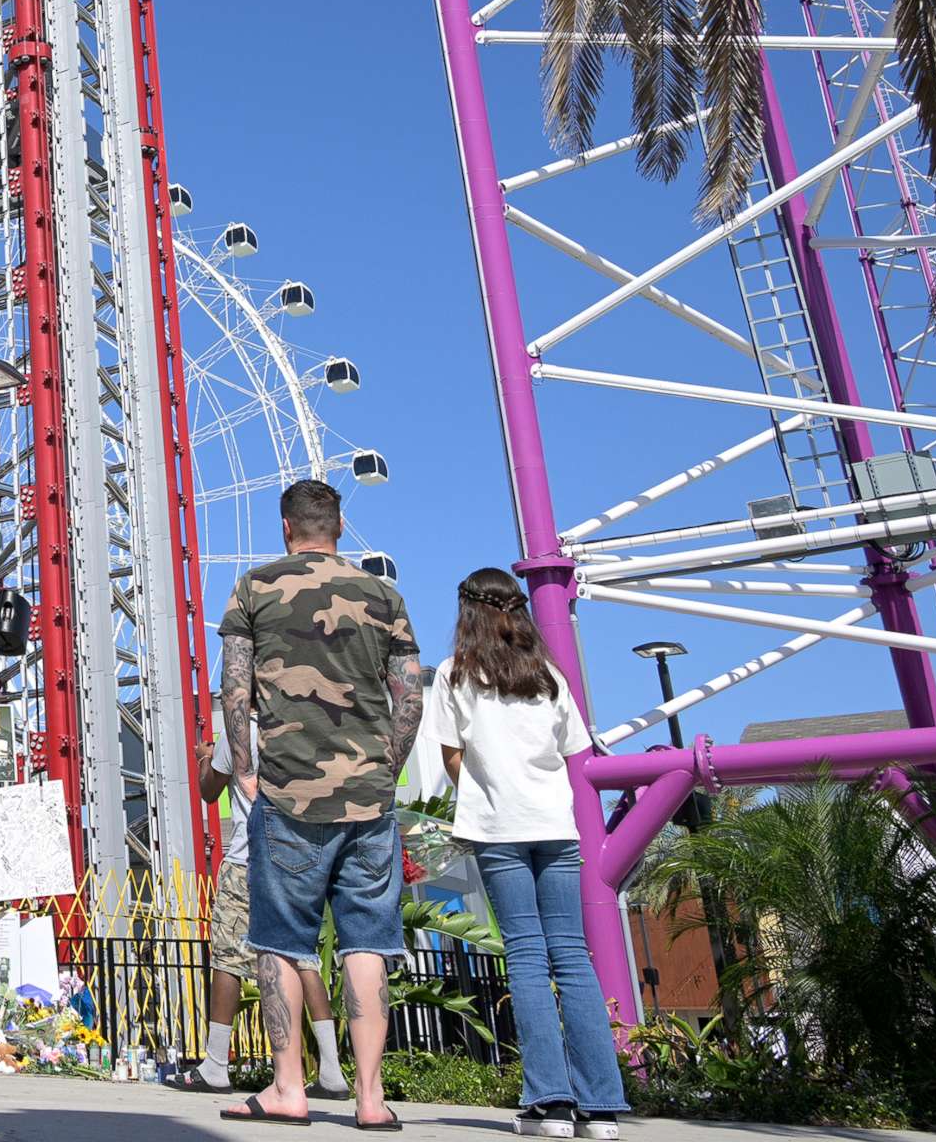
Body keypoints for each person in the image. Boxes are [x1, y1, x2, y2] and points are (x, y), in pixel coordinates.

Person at [216, 478, 424, 1129]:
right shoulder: (382, 593)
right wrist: (388, 764)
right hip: (368, 797)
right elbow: (411, 696)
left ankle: (287, 1088)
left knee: (278, 940)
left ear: (286, 526)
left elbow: (234, 689)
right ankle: (369, 1098)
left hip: (288, 793)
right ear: (338, 525)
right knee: (367, 942)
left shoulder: (255, 588)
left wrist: (245, 768)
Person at [429, 570, 626, 1142]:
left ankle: (551, 1103)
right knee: (572, 955)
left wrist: (490, 790)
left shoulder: (455, 676)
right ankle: (602, 1109)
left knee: (527, 958)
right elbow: (573, 752)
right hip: (556, 828)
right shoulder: (549, 676)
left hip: (498, 829)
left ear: (467, 611)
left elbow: (451, 757)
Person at [168, 723, 352, 1098]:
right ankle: (331, 1071)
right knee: (304, 960)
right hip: (298, 860)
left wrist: (206, 759)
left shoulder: (239, 732)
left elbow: (209, 791)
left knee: (227, 959)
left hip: (248, 859)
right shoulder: (300, 724)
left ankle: (216, 1065)